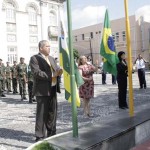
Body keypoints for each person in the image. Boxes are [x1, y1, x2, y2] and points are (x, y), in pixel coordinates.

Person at [29, 40, 63, 142]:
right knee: (42, 114)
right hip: (42, 90)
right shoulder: (34, 58)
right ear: (41, 48)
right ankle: (39, 136)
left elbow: (56, 70)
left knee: (53, 112)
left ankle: (52, 132)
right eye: (47, 46)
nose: (49, 48)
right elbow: (37, 73)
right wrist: (53, 75)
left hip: (52, 89)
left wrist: (59, 71)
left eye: (49, 46)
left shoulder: (52, 58)